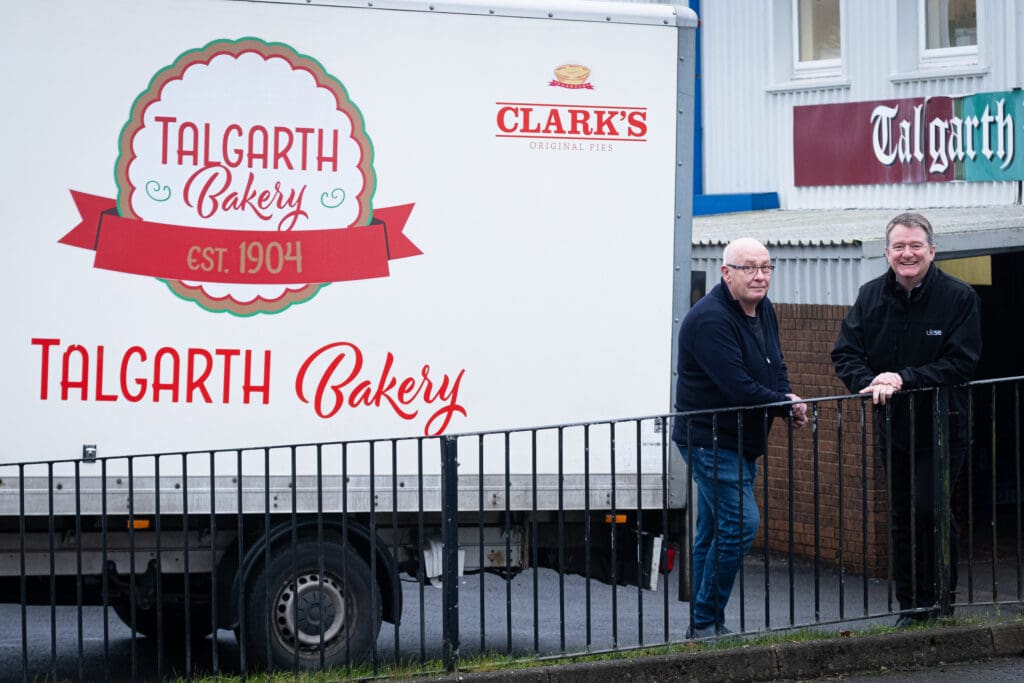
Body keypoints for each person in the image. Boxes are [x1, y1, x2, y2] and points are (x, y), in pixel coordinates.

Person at [831, 212, 982, 628]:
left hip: (943, 424)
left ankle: (939, 603)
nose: (907, 253)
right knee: (900, 515)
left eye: (916, 245)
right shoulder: (870, 296)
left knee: (931, 509)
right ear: (887, 253)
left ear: (932, 251)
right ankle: (910, 607)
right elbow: (845, 352)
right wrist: (869, 382)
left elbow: (962, 362)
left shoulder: (959, 297)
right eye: (899, 246)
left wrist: (903, 378)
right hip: (894, 424)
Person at [672, 237, 808, 638]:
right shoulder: (710, 320)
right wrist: (784, 404)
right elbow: (739, 388)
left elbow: (775, 365)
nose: (760, 276)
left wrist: (787, 398)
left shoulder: (763, 308)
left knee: (713, 530)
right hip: (710, 440)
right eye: (749, 267)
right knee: (741, 525)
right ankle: (706, 620)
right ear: (726, 272)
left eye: (765, 267)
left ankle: (703, 624)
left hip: (740, 441)